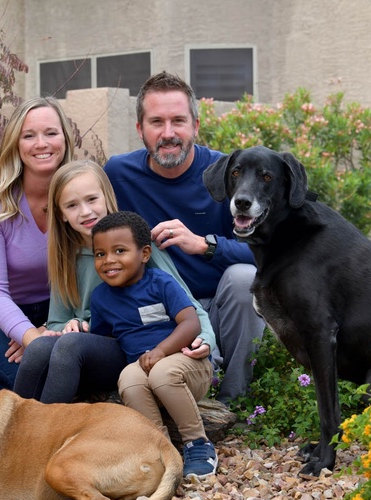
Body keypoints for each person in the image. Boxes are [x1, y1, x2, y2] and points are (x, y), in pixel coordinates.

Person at [104, 71, 266, 404]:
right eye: (156, 122)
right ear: (140, 129)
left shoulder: (228, 173)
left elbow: (266, 251)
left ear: (195, 125)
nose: (168, 133)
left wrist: (206, 246)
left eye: (178, 121)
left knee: (243, 279)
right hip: (154, 311)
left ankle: (234, 398)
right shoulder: (118, 175)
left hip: (216, 307)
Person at [13, 160, 215, 405]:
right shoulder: (67, 258)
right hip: (92, 352)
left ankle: (47, 433)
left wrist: (204, 340)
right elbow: (57, 321)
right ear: (62, 215)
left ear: (107, 198)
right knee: (38, 348)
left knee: (69, 345)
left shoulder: (137, 245)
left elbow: (189, 305)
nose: (85, 212)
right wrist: (73, 323)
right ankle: (15, 427)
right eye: (72, 205)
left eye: (92, 199)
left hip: (140, 349)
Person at [0, 96, 76, 391]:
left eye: (51, 133)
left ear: (65, 139)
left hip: (54, 312)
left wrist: (49, 328)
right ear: (15, 145)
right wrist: (31, 340)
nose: (42, 143)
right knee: (32, 381)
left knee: (70, 376)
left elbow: (92, 273)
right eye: (29, 135)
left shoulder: (80, 197)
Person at [89, 211, 217, 479]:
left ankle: (198, 443)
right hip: (143, 367)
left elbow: (190, 323)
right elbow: (102, 339)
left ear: (145, 254)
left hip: (186, 365)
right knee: (129, 378)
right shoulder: (100, 297)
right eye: (100, 254)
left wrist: (160, 351)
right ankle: (158, 449)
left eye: (119, 251)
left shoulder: (161, 283)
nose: (108, 260)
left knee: (162, 372)